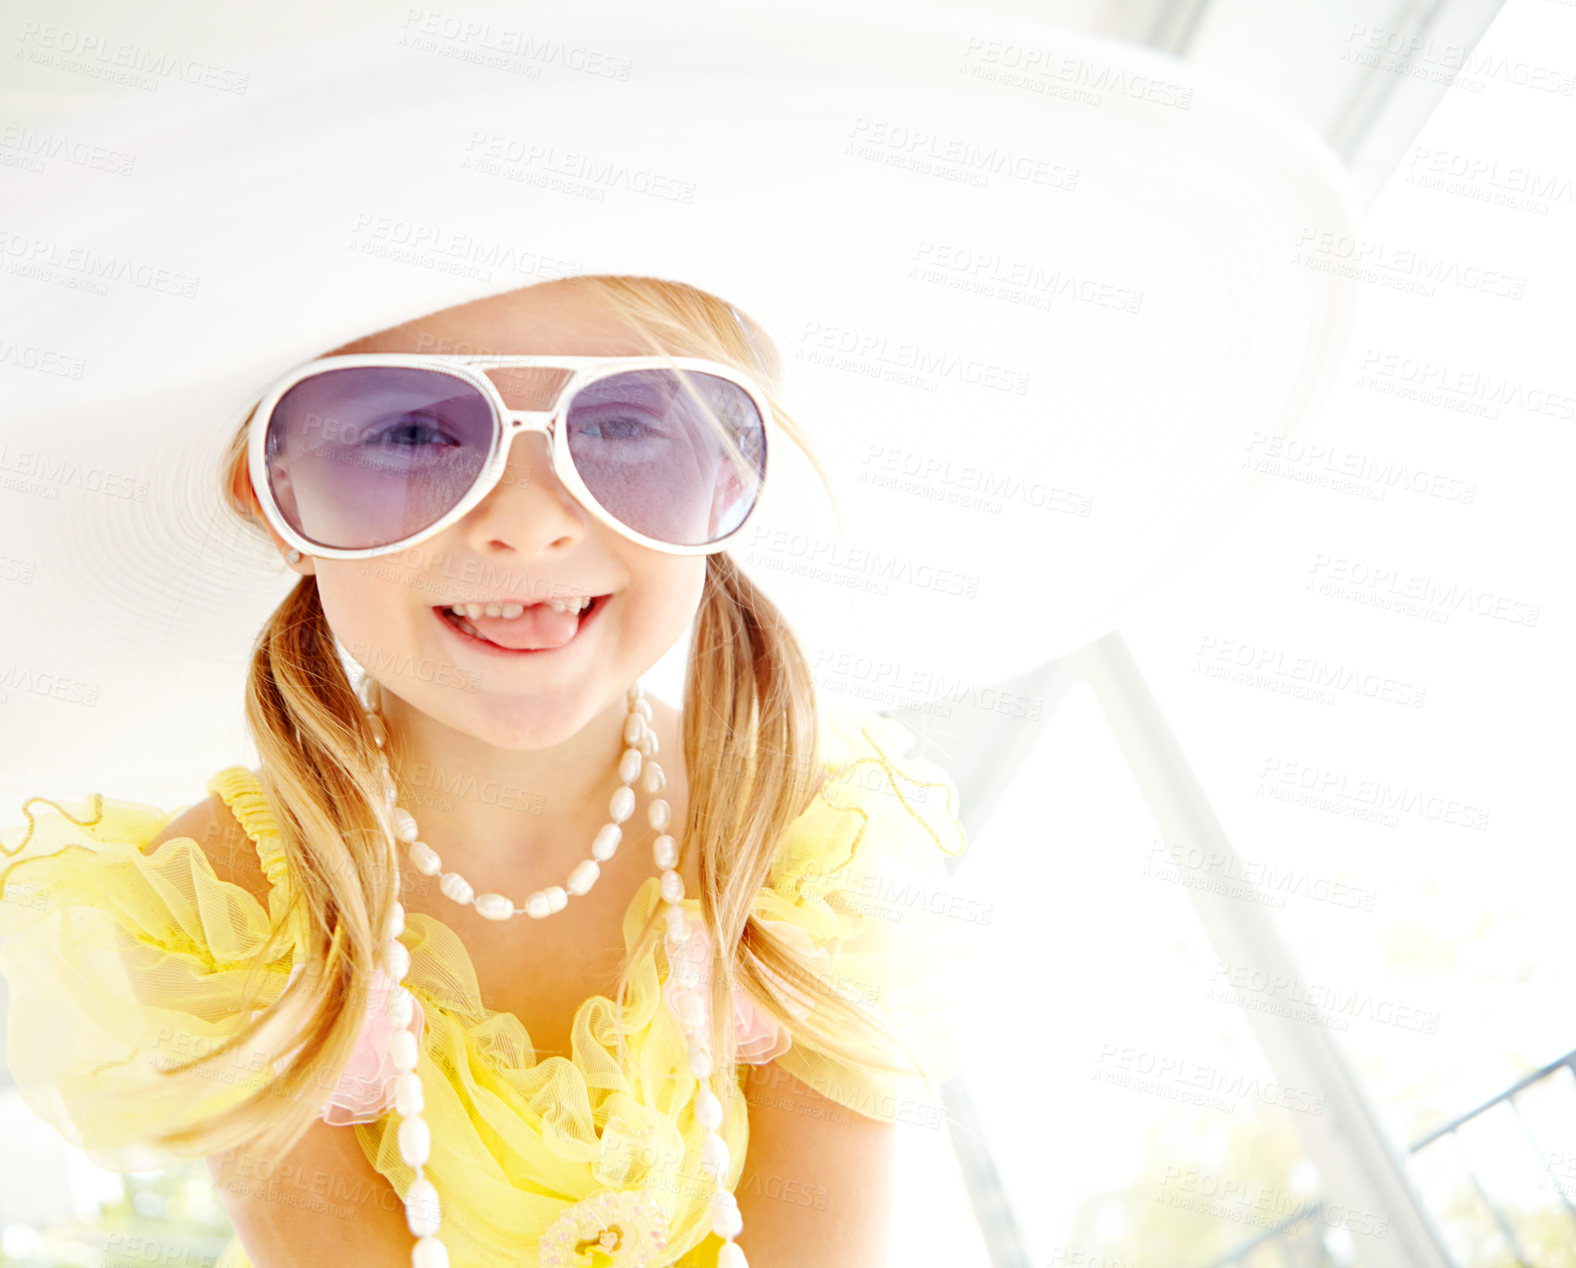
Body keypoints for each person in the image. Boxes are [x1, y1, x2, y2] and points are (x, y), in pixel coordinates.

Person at [0, 273, 976, 1267]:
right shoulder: (231, 902)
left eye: (624, 424)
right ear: (280, 494)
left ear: (727, 475)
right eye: (416, 434)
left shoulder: (802, 841)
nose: (528, 522)